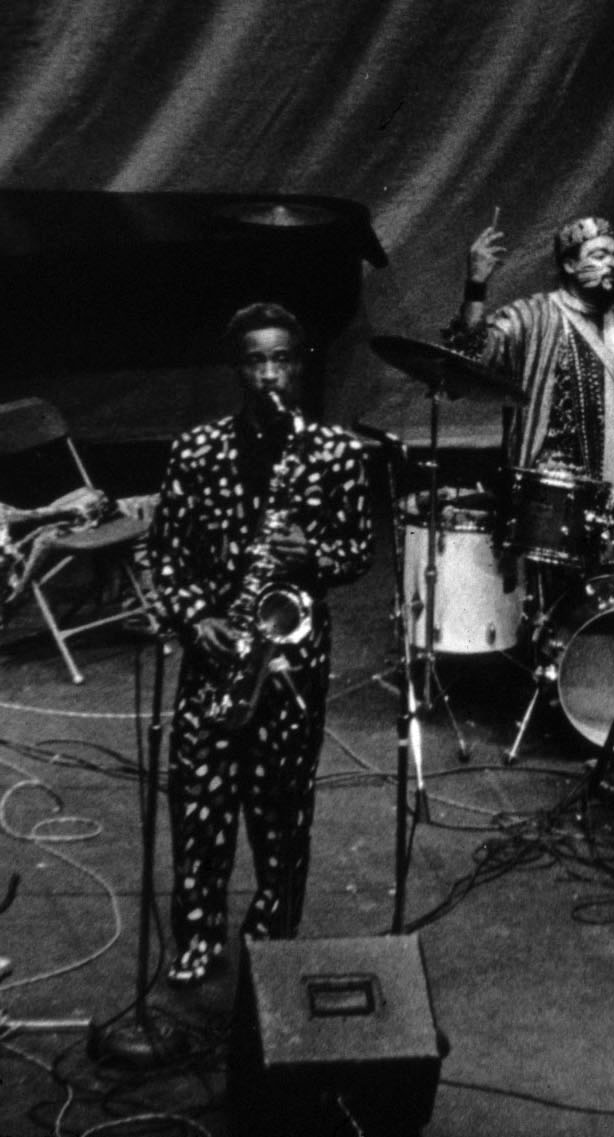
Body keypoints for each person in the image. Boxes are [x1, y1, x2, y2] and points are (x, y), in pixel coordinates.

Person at [150, 303, 374, 984]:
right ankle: (198, 936)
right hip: (216, 653)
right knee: (199, 804)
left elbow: (358, 550)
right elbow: (164, 553)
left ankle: (274, 933)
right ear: (237, 367)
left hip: (292, 658)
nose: (270, 372)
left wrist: (316, 554)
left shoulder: (334, 450)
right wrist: (196, 618)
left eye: (282, 358)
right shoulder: (195, 448)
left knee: (283, 807)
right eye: (256, 359)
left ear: (300, 364)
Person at [451, 213, 614, 483]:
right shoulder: (530, 316)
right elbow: (471, 358)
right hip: (551, 476)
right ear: (570, 264)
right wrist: (475, 285)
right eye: (600, 255)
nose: (613, 264)